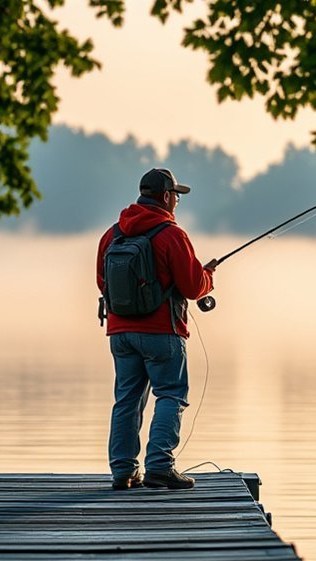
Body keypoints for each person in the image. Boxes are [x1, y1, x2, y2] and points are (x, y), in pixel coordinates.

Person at [96, 167, 217, 490]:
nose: (177, 202)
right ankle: (160, 466)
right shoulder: (172, 235)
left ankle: (123, 471)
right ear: (166, 196)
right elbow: (193, 287)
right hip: (162, 331)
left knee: (127, 399)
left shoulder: (112, 234)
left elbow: (102, 281)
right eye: (176, 196)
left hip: (120, 332)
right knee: (170, 394)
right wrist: (208, 277)